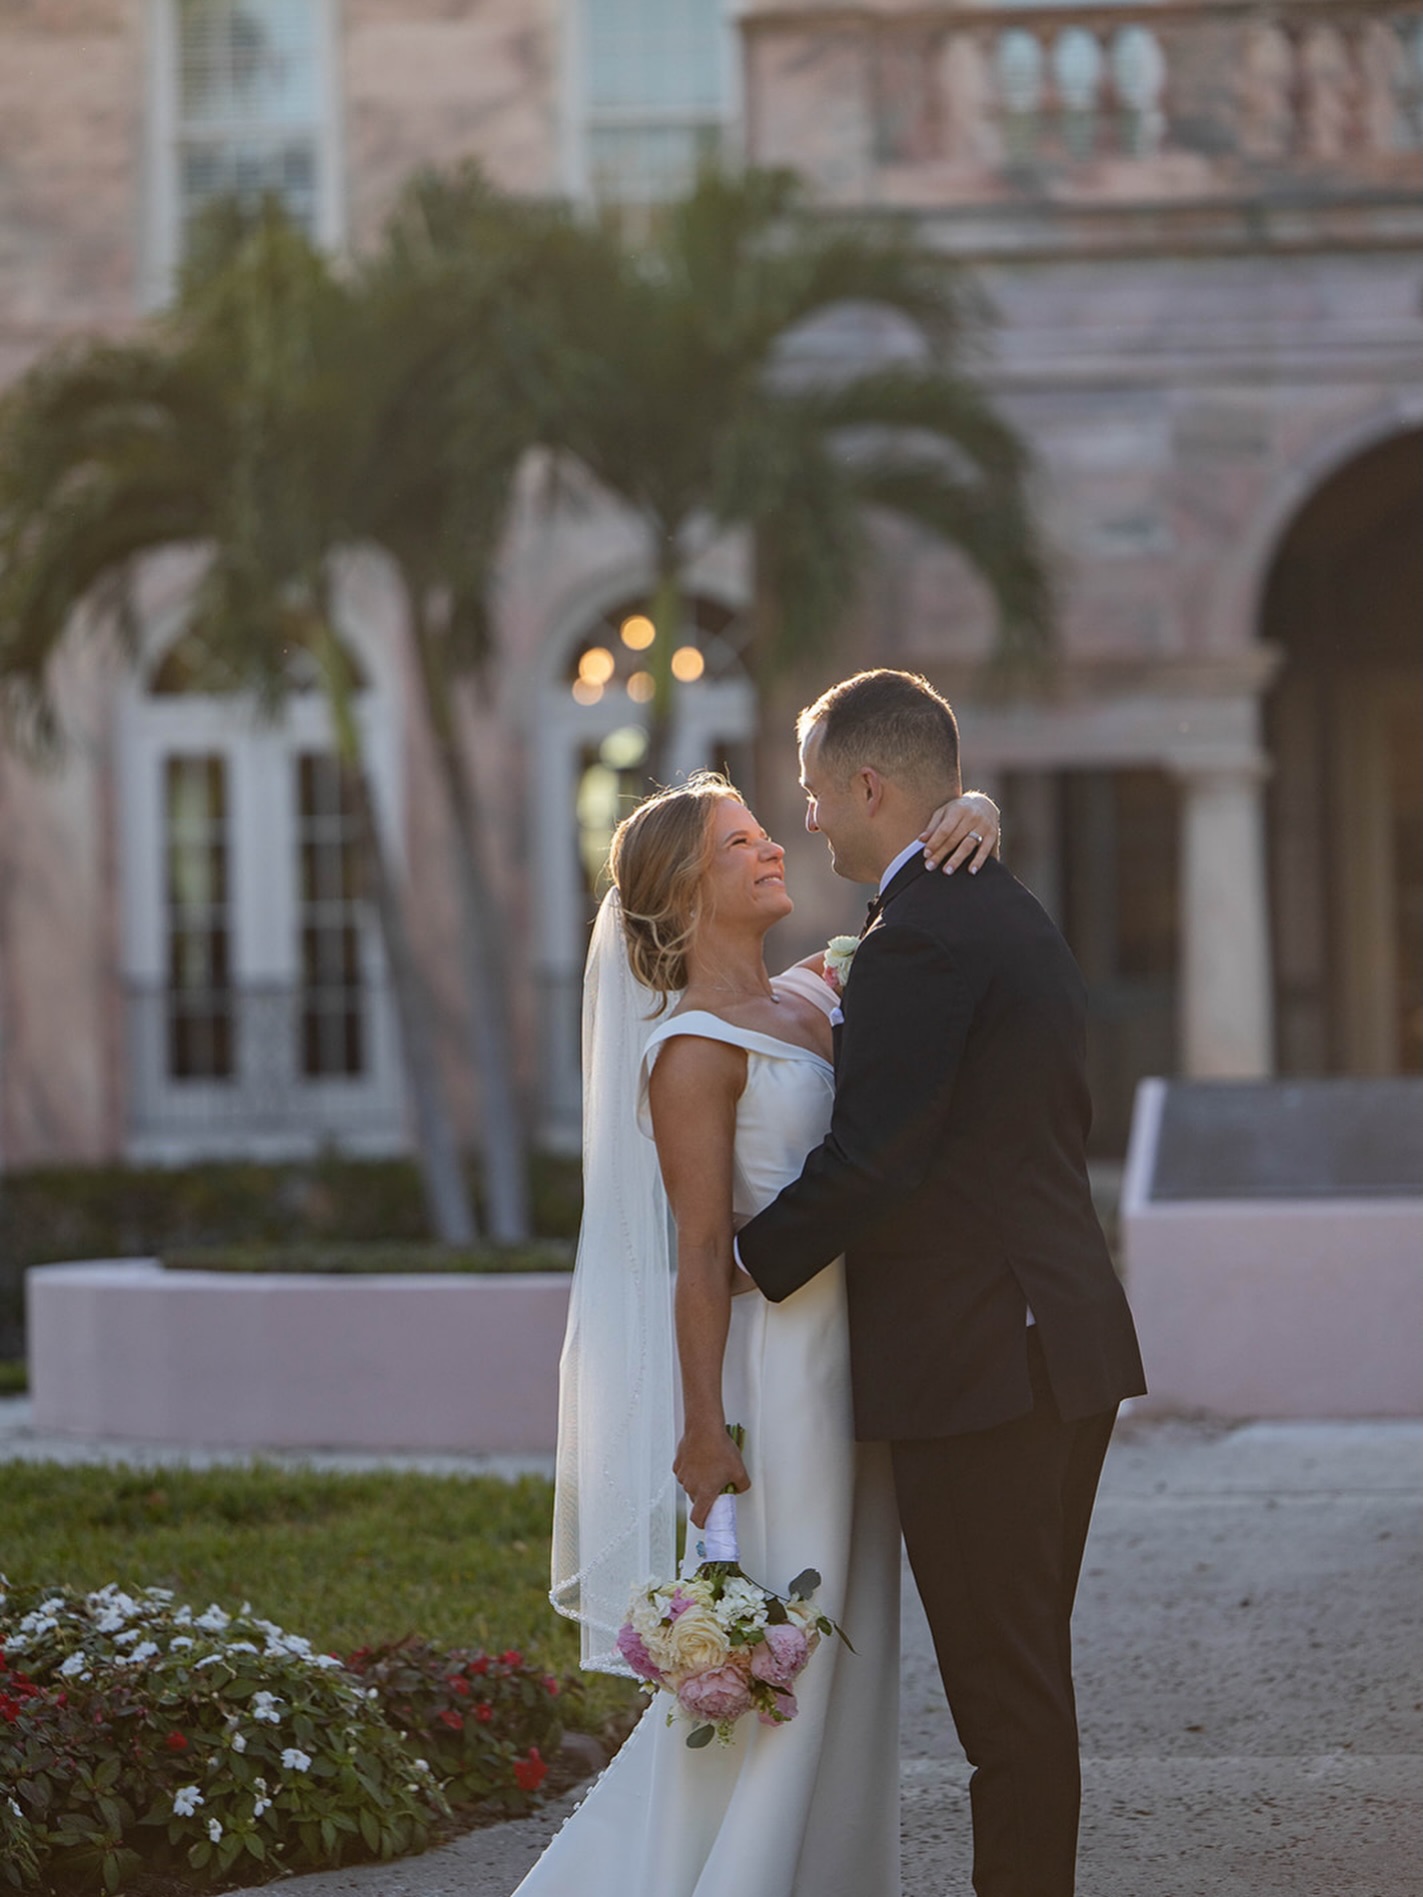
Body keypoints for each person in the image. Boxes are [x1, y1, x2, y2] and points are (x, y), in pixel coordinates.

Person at [517, 767, 1001, 1897]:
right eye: (740, 841)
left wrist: (974, 810)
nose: (773, 848)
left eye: (762, 831)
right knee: (799, 1641)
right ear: (687, 885)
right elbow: (697, 1254)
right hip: (787, 1379)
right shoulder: (690, 1049)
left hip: (870, 1365)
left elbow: (918, 914)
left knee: (857, 1645)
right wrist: (702, 1434)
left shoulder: (818, 993)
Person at [736, 669, 1148, 1897]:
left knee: (1003, 1694)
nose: (806, 818)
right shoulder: (992, 902)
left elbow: (875, 1158)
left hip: (983, 1368)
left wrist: (736, 1264)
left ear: (869, 785)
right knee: (1024, 1674)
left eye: (813, 792)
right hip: (1051, 1340)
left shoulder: (923, 930)